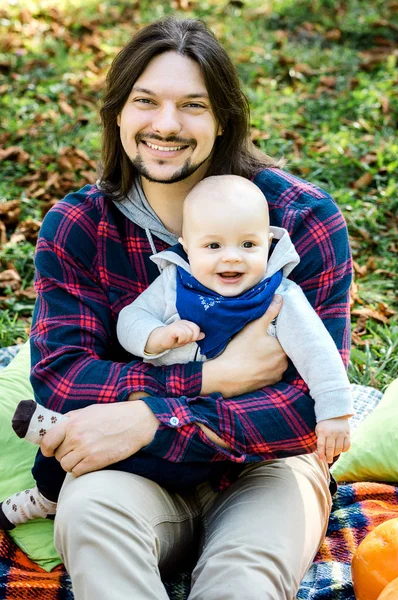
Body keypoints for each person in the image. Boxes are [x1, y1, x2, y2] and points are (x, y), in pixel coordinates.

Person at [4, 16, 353, 599]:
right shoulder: (80, 227)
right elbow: (63, 382)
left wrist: (151, 416)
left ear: (223, 118)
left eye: (193, 105)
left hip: (265, 468)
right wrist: (216, 375)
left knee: (243, 581)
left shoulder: (299, 219)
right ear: (118, 112)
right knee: (88, 518)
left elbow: (307, 406)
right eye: (146, 101)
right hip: (131, 472)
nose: (166, 125)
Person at [0, 175, 352, 531]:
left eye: (248, 245)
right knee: (82, 450)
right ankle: (47, 494)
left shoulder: (279, 298)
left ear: (270, 242)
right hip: (172, 406)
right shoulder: (175, 282)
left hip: (220, 433)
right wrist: (155, 337)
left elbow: (319, 354)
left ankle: (53, 480)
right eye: (213, 246)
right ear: (187, 246)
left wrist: (336, 411)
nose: (231, 258)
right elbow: (130, 319)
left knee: (143, 456)